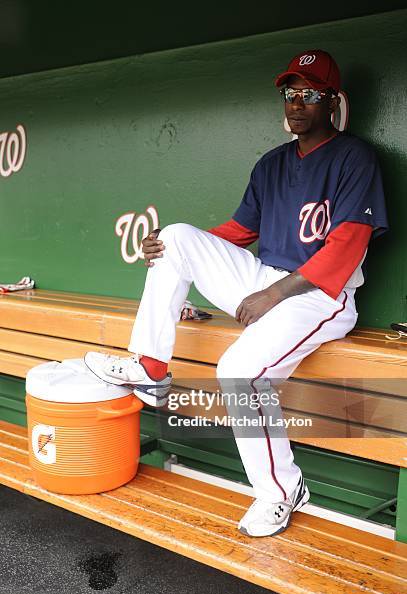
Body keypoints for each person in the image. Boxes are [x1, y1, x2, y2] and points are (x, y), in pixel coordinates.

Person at [84, 50, 388, 537]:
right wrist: (174, 249)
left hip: (321, 295)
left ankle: (281, 491)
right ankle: (151, 368)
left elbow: (348, 246)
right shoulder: (271, 164)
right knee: (178, 234)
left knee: (239, 372)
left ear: (332, 100)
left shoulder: (355, 158)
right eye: (290, 93)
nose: (297, 103)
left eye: (309, 94)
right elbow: (238, 231)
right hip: (267, 279)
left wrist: (276, 295)